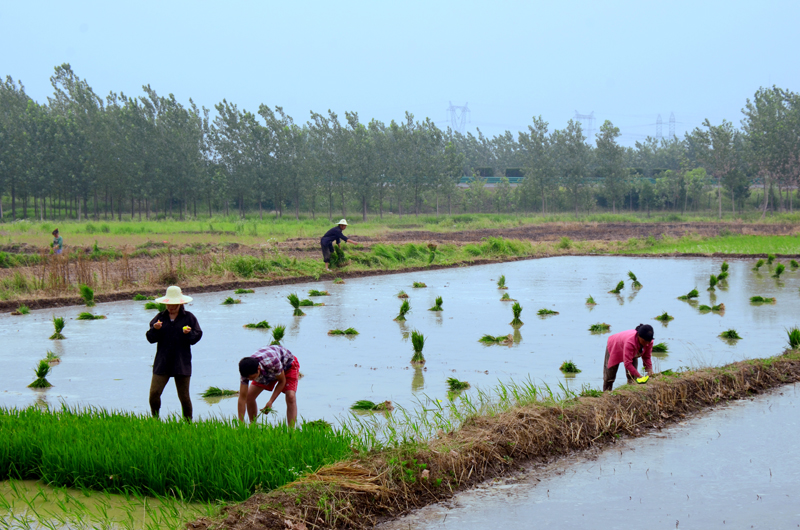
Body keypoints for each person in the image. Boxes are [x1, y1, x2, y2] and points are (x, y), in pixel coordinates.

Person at [145, 285, 203, 420]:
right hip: (162, 362)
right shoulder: (160, 318)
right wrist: (155, 329)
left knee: (184, 397)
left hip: (181, 362)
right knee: (154, 393)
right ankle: (155, 419)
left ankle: (188, 423)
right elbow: (150, 338)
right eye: (169, 305)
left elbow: (196, 338)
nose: (170, 307)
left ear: (180, 304)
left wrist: (188, 334)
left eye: (174, 305)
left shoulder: (189, 318)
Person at [238, 345, 299, 427]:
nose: (251, 380)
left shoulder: (272, 361)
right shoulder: (246, 372)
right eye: (249, 379)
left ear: (258, 369)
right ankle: (253, 426)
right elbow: (242, 397)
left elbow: (282, 381)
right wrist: (241, 423)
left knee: (291, 396)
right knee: (249, 396)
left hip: (287, 366)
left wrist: (270, 401)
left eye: (252, 378)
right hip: (267, 371)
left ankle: (291, 430)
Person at [603, 323, 654, 391]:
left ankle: (631, 392)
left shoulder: (649, 342)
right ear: (638, 336)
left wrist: (649, 370)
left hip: (632, 351)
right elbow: (627, 363)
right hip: (615, 346)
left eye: (648, 342)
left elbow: (646, 357)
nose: (646, 344)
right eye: (644, 341)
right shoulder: (630, 342)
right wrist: (639, 376)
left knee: (632, 378)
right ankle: (606, 393)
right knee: (610, 377)